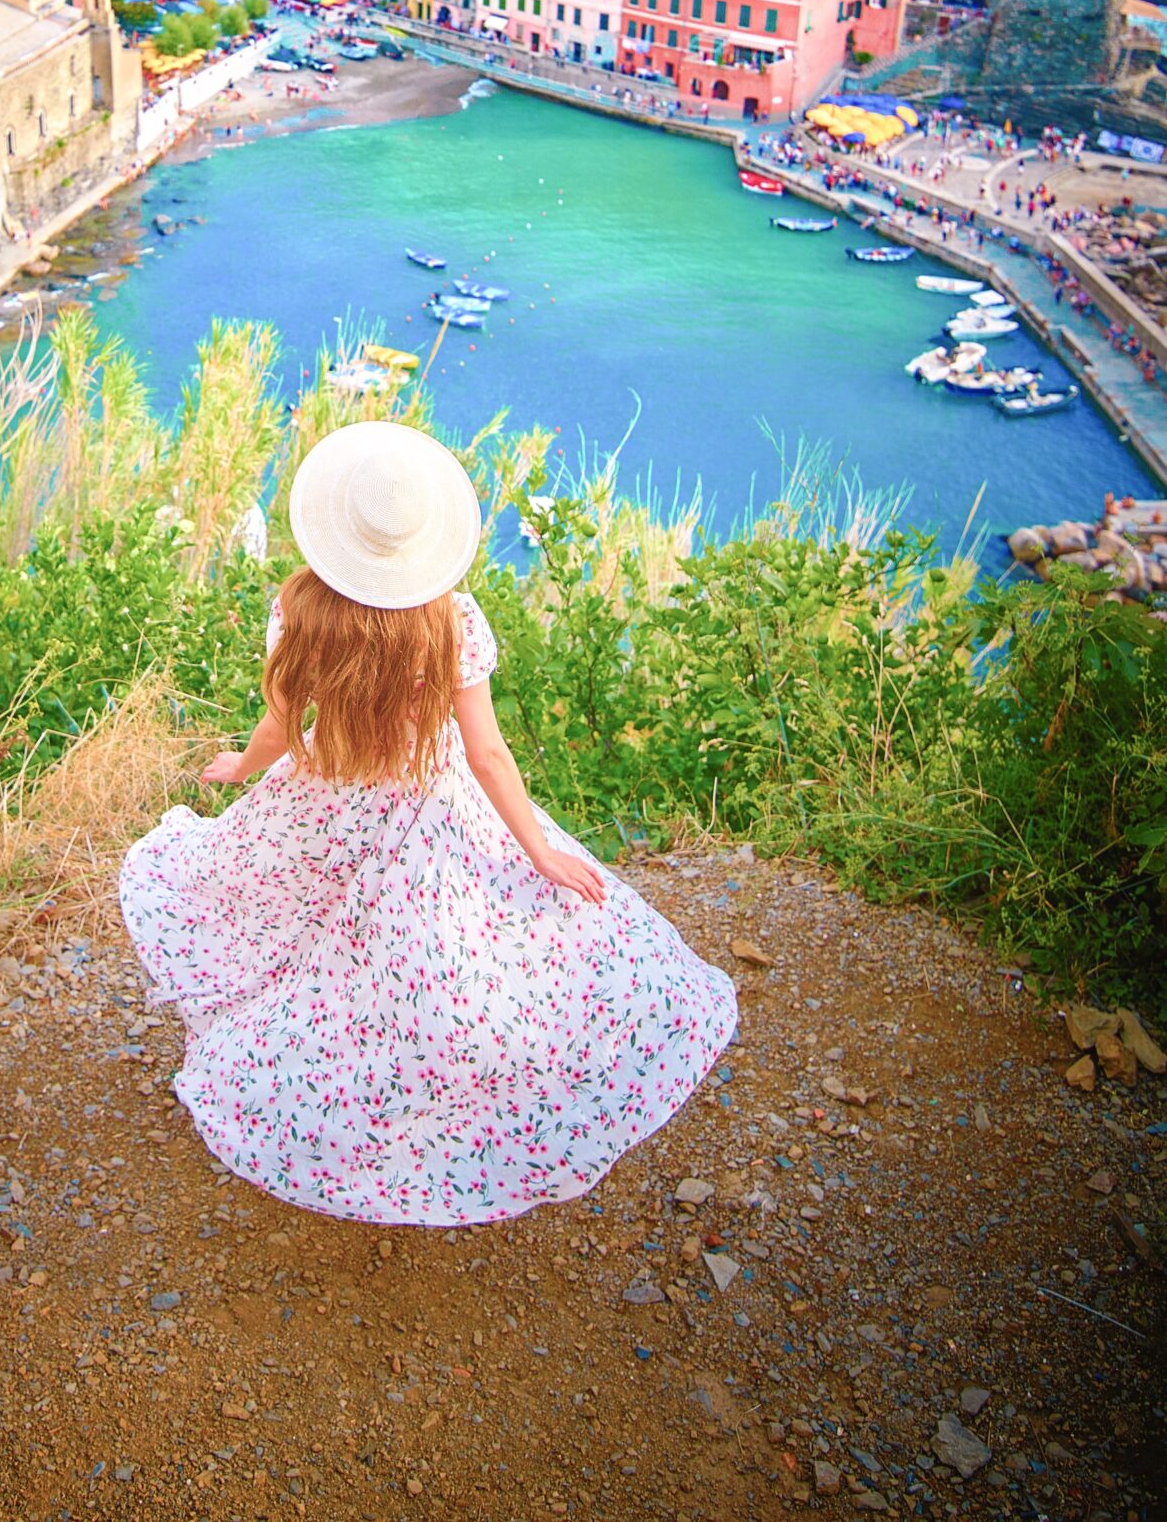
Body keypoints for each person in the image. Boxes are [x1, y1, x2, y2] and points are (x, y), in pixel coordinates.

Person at [119, 421, 737, 1226]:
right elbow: (486, 756)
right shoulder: (451, 620)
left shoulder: (299, 609)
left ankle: (288, 1078)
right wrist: (540, 851)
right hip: (429, 813)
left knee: (298, 939)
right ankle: (434, 1120)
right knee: (441, 964)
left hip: (323, 802)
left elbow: (278, 724)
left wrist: (241, 768)